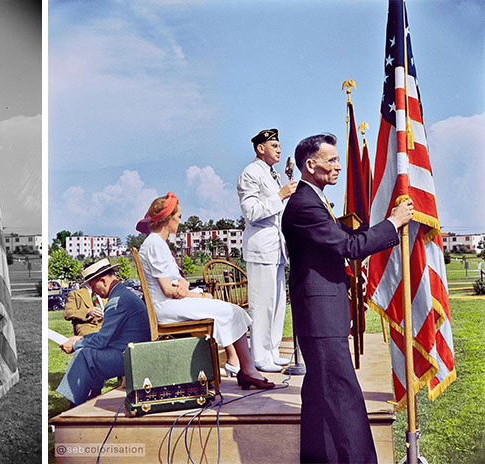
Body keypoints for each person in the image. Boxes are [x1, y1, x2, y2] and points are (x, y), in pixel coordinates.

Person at [282, 133, 413, 463]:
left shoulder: (314, 201)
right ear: (311, 166)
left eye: (339, 160)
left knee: (320, 395)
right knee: (343, 396)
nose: (338, 166)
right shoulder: (303, 205)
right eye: (332, 160)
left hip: (323, 314)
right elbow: (349, 248)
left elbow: (345, 238)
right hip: (320, 317)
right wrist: (393, 223)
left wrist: (384, 226)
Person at [137, 192, 274, 390]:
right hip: (166, 307)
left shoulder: (157, 243)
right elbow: (168, 289)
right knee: (231, 311)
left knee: (232, 310)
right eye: (178, 216)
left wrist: (184, 285)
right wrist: (197, 295)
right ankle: (246, 369)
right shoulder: (154, 245)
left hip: (173, 302)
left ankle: (245, 368)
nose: (180, 221)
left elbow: (177, 279)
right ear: (168, 218)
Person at [236, 128, 297, 372]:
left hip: (277, 248)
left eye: (280, 146)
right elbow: (251, 212)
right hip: (261, 248)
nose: (280, 150)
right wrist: (280, 196)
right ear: (261, 148)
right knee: (262, 304)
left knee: (278, 302)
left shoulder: (272, 175)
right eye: (275, 146)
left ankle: (272, 351)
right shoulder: (250, 173)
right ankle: (259, 356)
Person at [56, 259, 150, 406]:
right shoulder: (122, 295)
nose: (93, 292)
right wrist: (83, 337)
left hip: (130, 359)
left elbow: (102, 340)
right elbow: (108, 335)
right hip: (133, 353)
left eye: (93, 287)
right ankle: (90, 397)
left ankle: (73, 407)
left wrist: (75, 345)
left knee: (84, 355)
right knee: (89, 351)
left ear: (103, 281)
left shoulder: (117, 301)